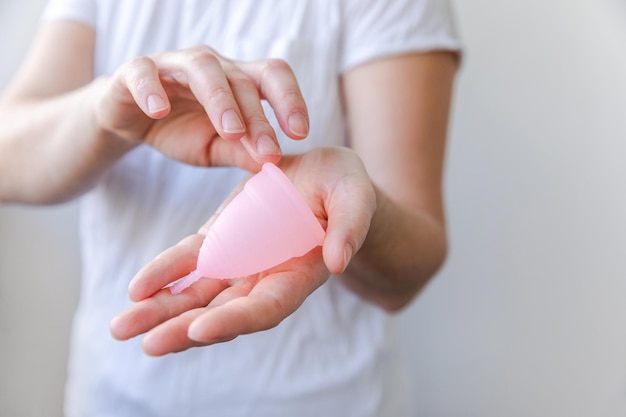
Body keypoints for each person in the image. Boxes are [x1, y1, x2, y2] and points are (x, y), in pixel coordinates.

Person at [0, 0, 461, 416]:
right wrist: (106, 116)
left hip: (321, 401)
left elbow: (408, 273)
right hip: (113, 392)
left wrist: (360, 210)